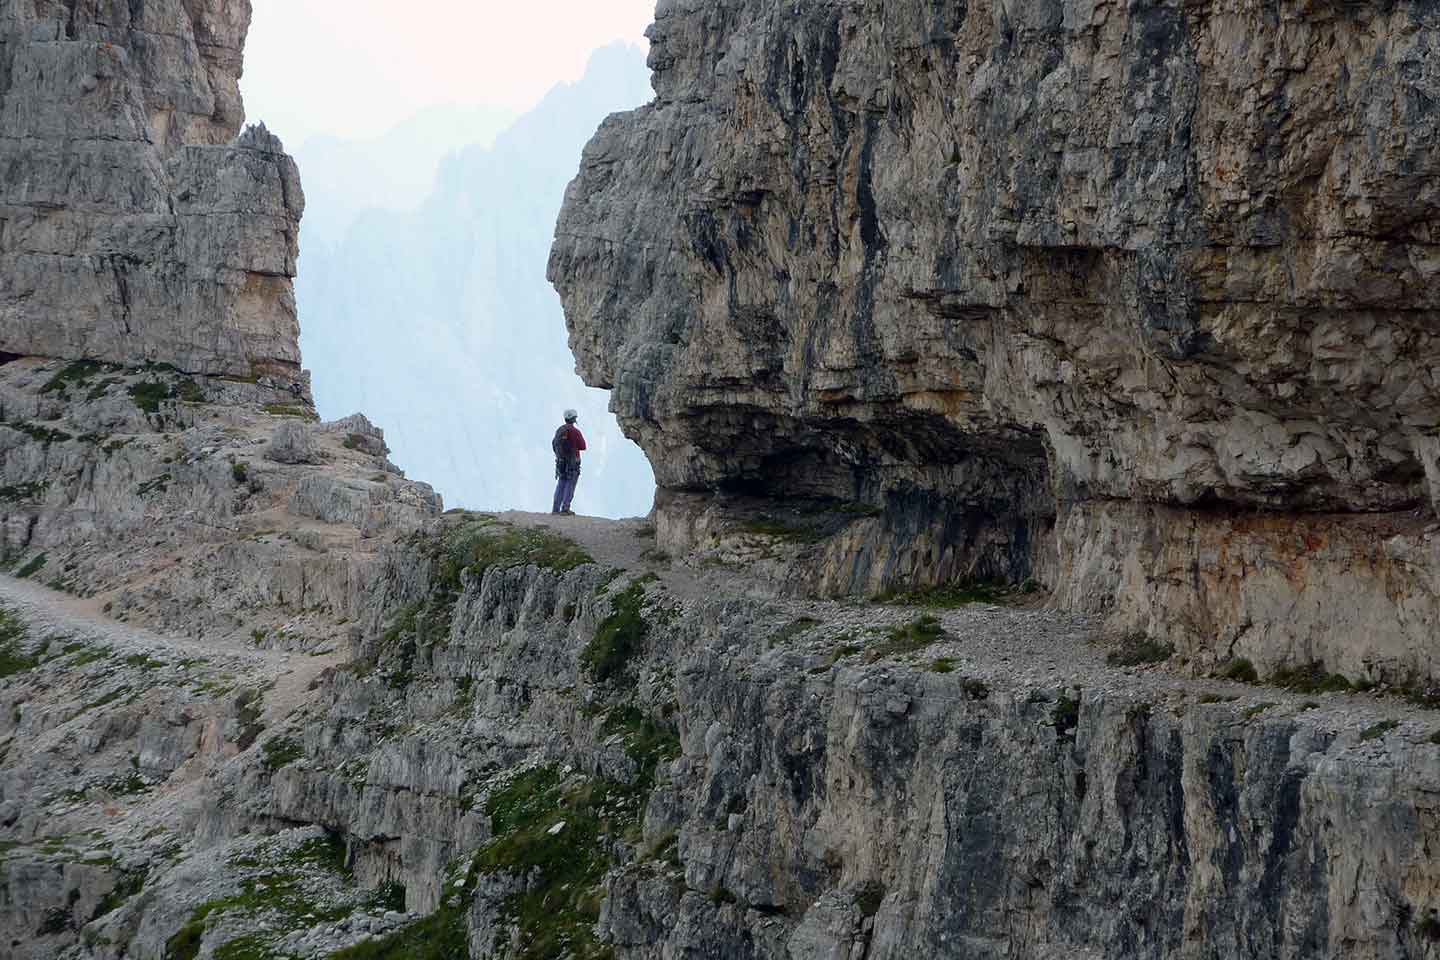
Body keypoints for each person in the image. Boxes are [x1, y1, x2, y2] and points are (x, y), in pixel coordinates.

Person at [551, 409, 587, 515]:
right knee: (570, 485)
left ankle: (555, 509)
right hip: (572, 462)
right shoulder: (575, 432)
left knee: (561, 484)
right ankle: (565, 508)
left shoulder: (560, 430)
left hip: (561, 462)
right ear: (574, 419)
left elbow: (554, 444)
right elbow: (583, 446)